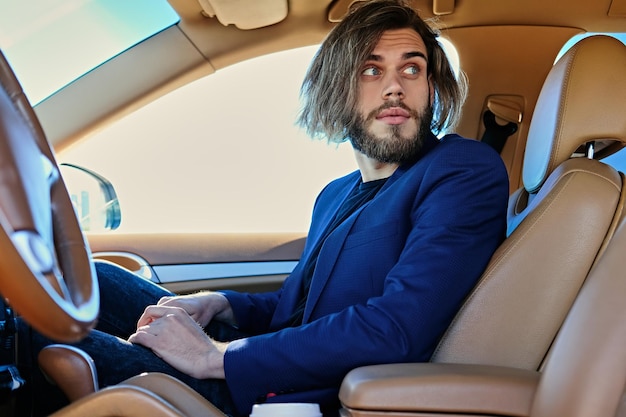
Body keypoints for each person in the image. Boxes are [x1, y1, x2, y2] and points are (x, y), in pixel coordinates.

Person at [18, 0, 509, 416]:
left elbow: (397, 328)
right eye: (371, 69)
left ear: (431, 86)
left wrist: (217, 357)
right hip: (273, 360)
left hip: (295, 393)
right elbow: (299, 305)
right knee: (93, 279)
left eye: (412, 67)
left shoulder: (462, 169)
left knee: (32, 334)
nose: (394, 86)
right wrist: (221, 302)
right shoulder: (335, 193)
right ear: (337, 90)